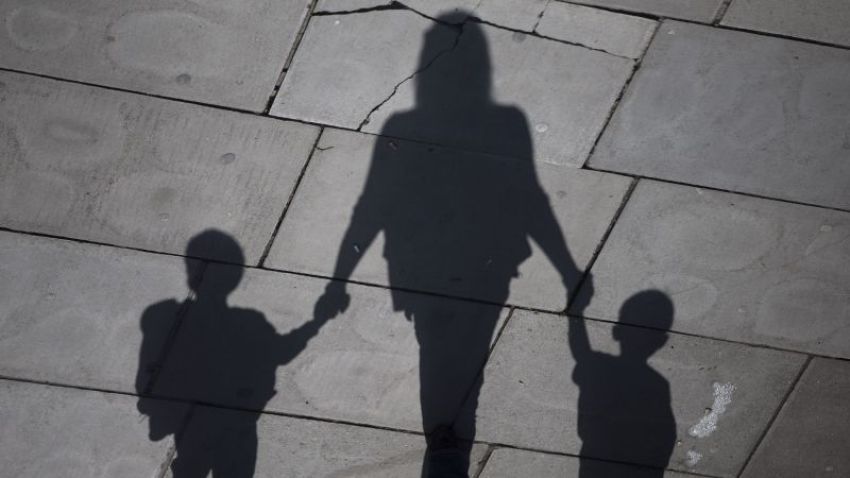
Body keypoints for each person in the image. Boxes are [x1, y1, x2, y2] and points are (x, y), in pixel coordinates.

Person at [315, 15, 589, 477]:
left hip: (424, 261)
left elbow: (371, 206)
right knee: (461, 343)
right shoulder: (506, 120)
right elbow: (530, 197)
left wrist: (339, 279)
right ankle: (444, 453)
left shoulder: (409, 122)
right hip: (485, 257)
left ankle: (444, 452)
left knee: (438, 347)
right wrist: (564, 267)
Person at [136, 229, 341, 477]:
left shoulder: (165, 317)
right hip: (236, 426)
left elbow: (148, 374)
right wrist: (317, 322)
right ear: (236, 276)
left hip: (195, 426)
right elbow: (283, 351)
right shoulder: (250, 323)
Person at [569, 290, 676, 477]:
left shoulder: (600, 367)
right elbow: (666, 436)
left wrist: (576, 313)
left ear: (616, 331)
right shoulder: (657, 385)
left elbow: (580, 351)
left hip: (596, 463)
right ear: (661, 341)